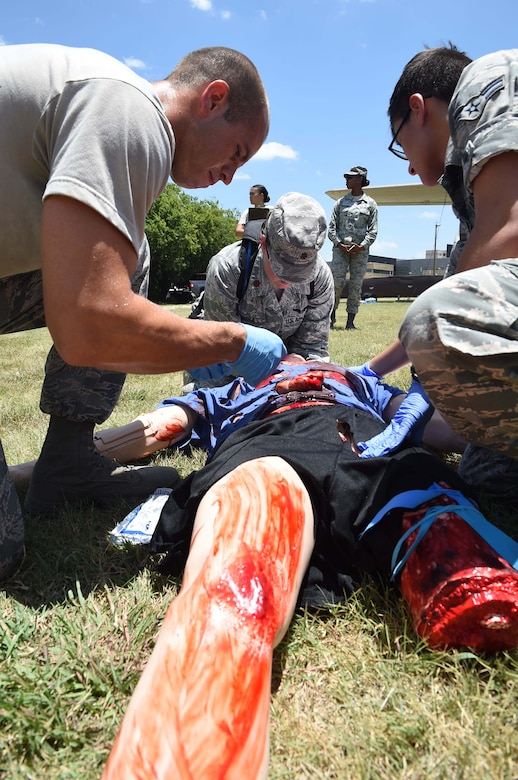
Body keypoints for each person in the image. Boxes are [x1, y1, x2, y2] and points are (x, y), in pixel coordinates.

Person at [98, 356, 518, 778]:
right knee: (239, 575)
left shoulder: (359, 382)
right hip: (268, 442)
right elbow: (159, 426)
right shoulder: (236, 389)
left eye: (310, 356)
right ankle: (183, 750)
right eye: (288, 357)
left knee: (455, 547)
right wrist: (81, 458)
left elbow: (437, 426)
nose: (301, 359)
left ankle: (457, 568)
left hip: (374, 445)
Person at [0, 43, 288, 581]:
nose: (230, 176)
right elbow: (89, 322)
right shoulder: (129, 111)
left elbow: (88, 290)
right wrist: (232, 342)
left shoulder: (126, 120)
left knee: (128, 260)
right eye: (237, 151)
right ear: (213, 99)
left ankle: (66, 466)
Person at [378, 45, 518, 502]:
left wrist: (424, 374)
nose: (415, 171)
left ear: (417, 109)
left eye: (402, 147)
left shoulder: (487, 78)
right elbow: (471, 282)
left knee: (433, 322)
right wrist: (368, 374)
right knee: (486, 477)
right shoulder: (468, 187)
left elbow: (509, 235)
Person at [183, 192, 334, 392]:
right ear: (263, 243)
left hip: (289, 374)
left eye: (300, 272)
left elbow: (313, 348)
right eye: (282, 268)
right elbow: (222, 348)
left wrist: (296, 365)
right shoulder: (229, 268)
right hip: (225, 371)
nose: (289, 279)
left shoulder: (320, 277)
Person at [328, 166, 378, 330]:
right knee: (336, 283)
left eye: (350, 178)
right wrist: (339, 244)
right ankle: (331, 316)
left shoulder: (370, 204)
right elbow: (331, 228)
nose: (347, 181)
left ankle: (350, 321)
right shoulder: (340, 203)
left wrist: (362, 246)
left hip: (360, 252)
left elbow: (373, 230)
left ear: (359, 180)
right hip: (340, 249)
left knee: (356, 285)